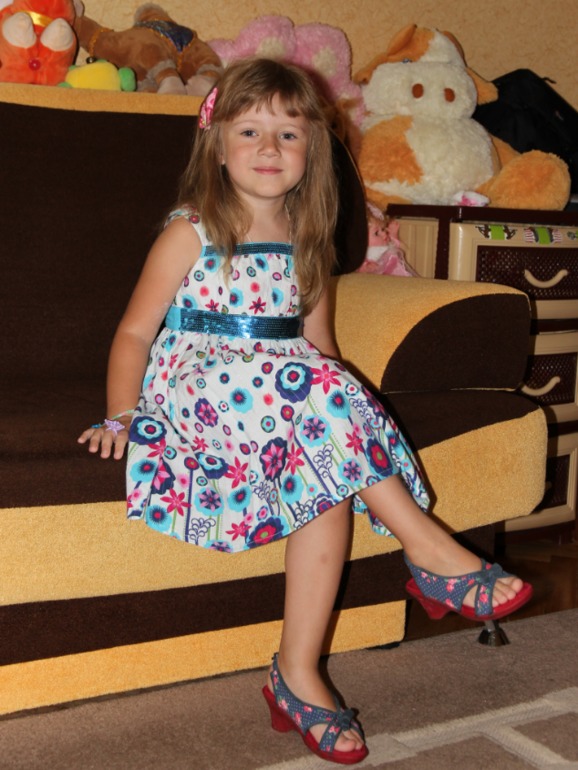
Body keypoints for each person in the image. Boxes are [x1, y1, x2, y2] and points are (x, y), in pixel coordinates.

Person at [78, 57, 532, 765]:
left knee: (327, 458)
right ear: (216, 144)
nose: (269, 147)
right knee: (309, 392)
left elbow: (319, 350)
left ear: (311, 150)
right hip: (199, 392)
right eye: (250, 131)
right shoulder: (191, 231)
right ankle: (428, 548)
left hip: (282, 402)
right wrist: (120, 414)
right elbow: (134, 333)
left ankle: (297, 674)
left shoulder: (307, 239)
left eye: (289, 134)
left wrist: (348, 413)